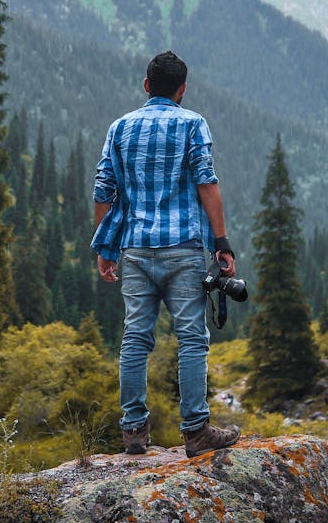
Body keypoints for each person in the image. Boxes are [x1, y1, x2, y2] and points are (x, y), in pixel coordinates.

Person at [92, 51, 242, 457]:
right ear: (182, 89)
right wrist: (222, 242)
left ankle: (134, 433)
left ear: (146, 86)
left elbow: (103, 189)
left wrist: (106, 248)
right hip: (183, 250)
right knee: (192, 337)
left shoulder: (119, 128)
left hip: (135, 249)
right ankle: (196, 432)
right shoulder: (192, 123)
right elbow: (206, 183)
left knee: (135, 338)